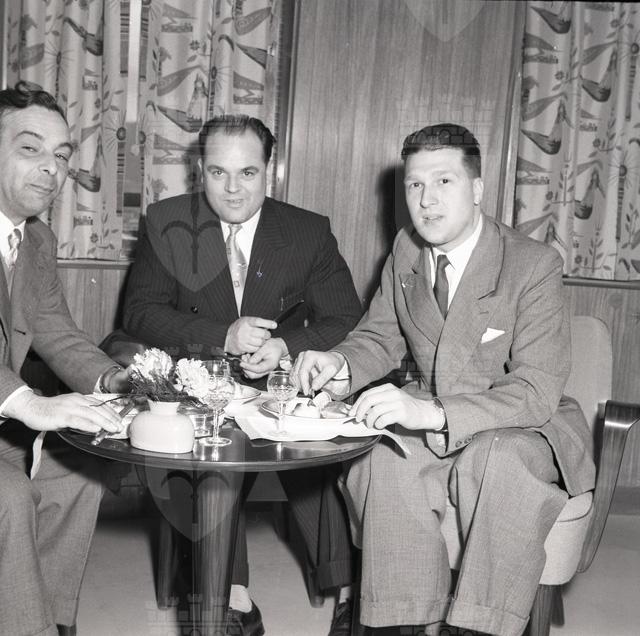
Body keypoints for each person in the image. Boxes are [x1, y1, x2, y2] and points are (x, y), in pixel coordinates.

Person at [293, 123, 595, 636]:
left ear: (477, 189)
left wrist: (432, 412)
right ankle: (402, 622)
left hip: (520, 425)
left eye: (443, 182)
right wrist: (340, 364)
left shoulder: (533, 264)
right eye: (415, 184)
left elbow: (535, 389)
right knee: (385, 458)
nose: (426, 200)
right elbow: (381, 336)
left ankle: (479, 627)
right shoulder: (406, 251)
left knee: (497, 461)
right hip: (434, 410)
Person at [119, 115, 363, 635]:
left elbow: (345, 317)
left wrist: (286, 347)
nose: (233, 189)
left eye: (247, 173)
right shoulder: (166, 221)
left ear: (269, 171)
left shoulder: (307, 230)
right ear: (199, 171)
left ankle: (348, 592)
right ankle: (232, 598)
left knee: (317, 452)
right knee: (217, 465)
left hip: (282, 382)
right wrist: (222, 336)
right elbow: (138, 313)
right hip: (200, 383)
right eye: (218, 173)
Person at [0, 82, 131, 636]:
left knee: (79, 470)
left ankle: (48, 620)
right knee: (8, 494)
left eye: (60, 155)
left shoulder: (35, 241)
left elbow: (56, 332)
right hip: (9, 409)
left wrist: (118, 380)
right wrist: (30, 403)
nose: (50, 169)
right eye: (30, 149)